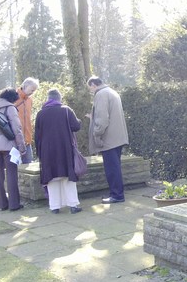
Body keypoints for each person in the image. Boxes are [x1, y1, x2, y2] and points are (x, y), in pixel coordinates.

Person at [35, 88, 83, 214]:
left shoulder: (40, 114)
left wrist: (39, 153)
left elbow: (37, 135)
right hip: (64, 148)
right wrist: (79, 121)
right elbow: (76, 126)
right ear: (59, 98)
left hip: (47, 150)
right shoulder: (66, 110)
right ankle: (73, 205)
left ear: (48, 99)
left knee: (51, 178)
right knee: (68, 177)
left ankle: (54, 206)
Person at [86, 76, 129, 204]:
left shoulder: (101, 94)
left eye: (90, 89)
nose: (91, 92)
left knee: (111, 169)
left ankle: (117, 195)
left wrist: (96, 134)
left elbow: (103, 119)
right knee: (115, 167)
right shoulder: (112, 92)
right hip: (118, 137)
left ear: (94, 85)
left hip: (108, 139)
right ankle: (117, 193)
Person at [0, 88, 27, 211]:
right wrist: (22, 147)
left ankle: (1, 204)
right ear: (11, 99)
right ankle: (14, 204)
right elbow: (17, 129)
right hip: (8, 146)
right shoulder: (10, 108)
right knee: (11, 173)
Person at [14, 77, 39, 164]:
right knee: (14, 166)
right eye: (32, 90)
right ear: (25, 86)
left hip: (27, 139)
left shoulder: (30, 100)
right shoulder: (13, 97)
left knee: (28, 164)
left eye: (34, 91)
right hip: (15, 139)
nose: (33, 92)